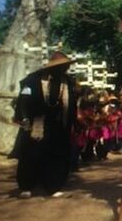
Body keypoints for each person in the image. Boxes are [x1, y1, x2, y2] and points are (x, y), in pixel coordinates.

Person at [13, 52, 77, 198]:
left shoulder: (67, 82)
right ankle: (26, 185)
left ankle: (53, 185)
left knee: (56, 155)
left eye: (66, 66)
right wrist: (24, 117)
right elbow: (23, 99)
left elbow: (72, 105)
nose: (65, 68)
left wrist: (73, 122)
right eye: (62, 66)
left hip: (59, 125)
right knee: (31, 154)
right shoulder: (33, 80)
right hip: (36, 124)